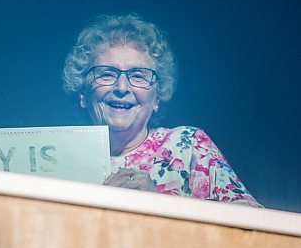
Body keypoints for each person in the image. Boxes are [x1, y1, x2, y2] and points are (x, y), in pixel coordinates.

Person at [63, 13, 262, 207]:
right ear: (82, 93)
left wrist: (161, 204)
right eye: (106, 74)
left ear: (157, 97)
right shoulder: (60, 157)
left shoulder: (188, 145)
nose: (122, 88)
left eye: (138, 76)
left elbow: (256, 224)